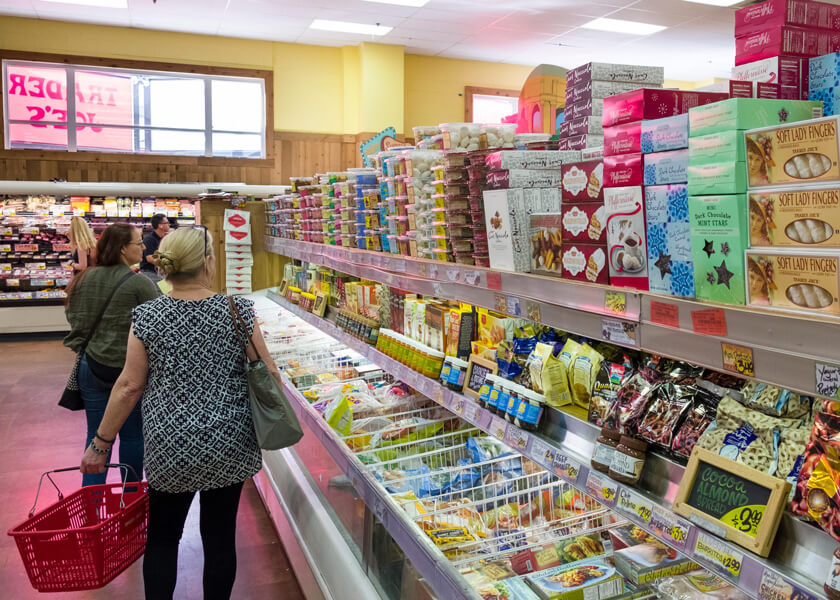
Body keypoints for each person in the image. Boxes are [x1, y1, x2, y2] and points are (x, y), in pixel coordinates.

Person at [80, 226, 281, 600]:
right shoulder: (237, 309)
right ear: (207, 262)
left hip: (171, 446)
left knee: (162, 538)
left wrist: (100, 443)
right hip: (229, 442)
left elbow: (129, 386)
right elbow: (268, 373)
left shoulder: (148, 316)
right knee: (220, 537)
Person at [65, 223, 160, 486]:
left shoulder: (83, 278)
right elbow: (156, 326)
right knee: (132, 437)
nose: (142, 248)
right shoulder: (139, 283)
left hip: (90, 366)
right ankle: (130, 502)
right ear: (121, 249)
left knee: (96, 437)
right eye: (138, 243)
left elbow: (73, 319)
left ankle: (91, 503)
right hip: (130, 370)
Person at [140, 213, 170, 283]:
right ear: (160, 226)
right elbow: (150, 258)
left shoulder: (163, 238)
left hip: (159, 272)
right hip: (149, 273)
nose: (169, 224)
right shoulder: (149, 239)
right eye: (167, 223)